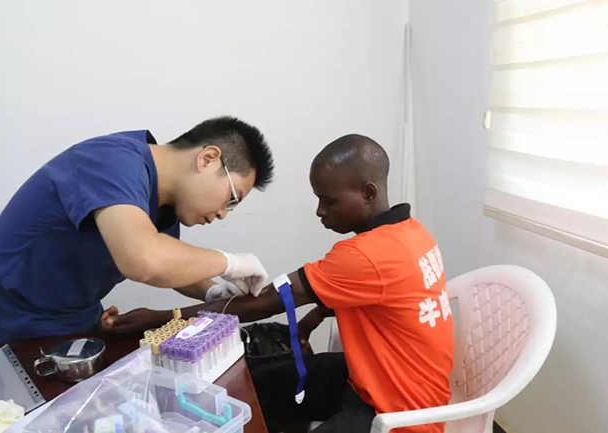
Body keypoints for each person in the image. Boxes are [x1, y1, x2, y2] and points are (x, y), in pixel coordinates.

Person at [103, 134, 455, 433]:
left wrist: (163, 318)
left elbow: (263, 303)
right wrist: (310, 321)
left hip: (399, 417)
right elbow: (375, 297)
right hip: (380, 380)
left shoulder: (365, 254)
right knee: (259, 384)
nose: (320, 211)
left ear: (368, 192)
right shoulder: (412, 234)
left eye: (329, 201)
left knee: (259, 393)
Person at [0, 116, 275, 344]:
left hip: (76, 315)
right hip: (18, 321)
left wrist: (211, 290)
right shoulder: (113, 163)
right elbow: (145, 260)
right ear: (208, 159)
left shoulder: (164, 202)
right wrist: (231, 263)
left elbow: (169, 260)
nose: (222, 213)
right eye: (231, 198)